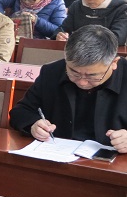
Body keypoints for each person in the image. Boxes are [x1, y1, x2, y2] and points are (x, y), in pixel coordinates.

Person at [10, 25, 127, 153]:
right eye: (74, 73)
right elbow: (21, 111)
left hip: (114, 160)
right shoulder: (52, 72)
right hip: (57, 154)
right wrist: (33, 125)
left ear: (114, 63)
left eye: (92, 76)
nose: (82, 82)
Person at [55, 0, 127, 45]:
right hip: (77, 50)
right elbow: (63, 28)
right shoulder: (76, 6)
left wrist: (82, 40)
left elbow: (117, 38)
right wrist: (60, 35)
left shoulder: (122, 8)